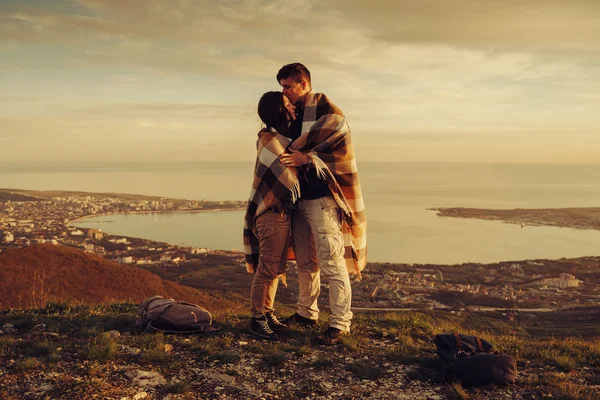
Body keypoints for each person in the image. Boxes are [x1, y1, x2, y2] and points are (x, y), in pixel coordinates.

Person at [277, 63, 367, 345]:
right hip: (299, 199)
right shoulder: (294, 115)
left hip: (323, 200)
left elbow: (336, 147)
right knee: (305, 261)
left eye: (288, 86)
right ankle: (307, 313)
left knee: (331, 261)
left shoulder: (330, 114)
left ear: (303, 83)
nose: (285, 92)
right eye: (282, 87)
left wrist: (309, 158)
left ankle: (341, 323)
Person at [243, 91, 300, 341]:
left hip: (280, 214)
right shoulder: (269, 139)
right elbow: (280, 175)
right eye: (287, 104)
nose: (292, 107)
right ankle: (257, 320)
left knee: (276, 268)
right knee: (267, 269)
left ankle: (267, 313)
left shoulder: (282, 139)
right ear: (278, 110)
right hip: (270, 214)